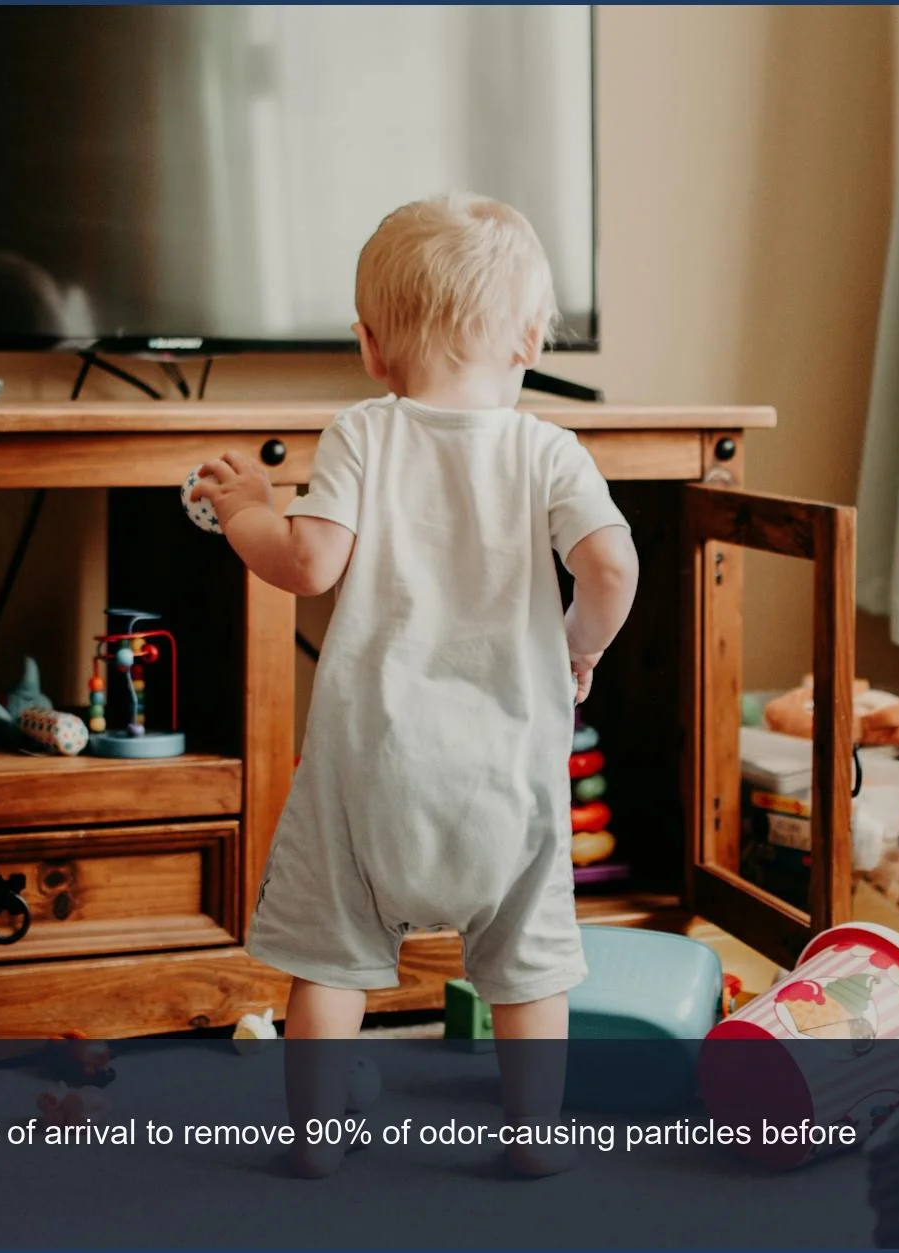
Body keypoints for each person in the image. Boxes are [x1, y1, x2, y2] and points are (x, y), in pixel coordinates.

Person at [191, 193, 639, 1176]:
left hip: (369, 773)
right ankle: (530, 1137)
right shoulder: (547, 448)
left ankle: (312, 1140)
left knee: (331, 962)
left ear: (369, 345)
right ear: (528, 335)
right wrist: (576, 646)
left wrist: (246, 508)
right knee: (527, 973)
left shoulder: (363, 432)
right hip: (508, 777)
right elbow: (610, 567)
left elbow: (305, 565)